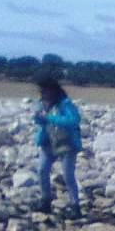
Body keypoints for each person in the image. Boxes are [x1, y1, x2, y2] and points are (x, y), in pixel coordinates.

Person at [33, 76, 82, 218]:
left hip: (67, 143)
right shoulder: (42, 104)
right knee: (42, 169)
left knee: (68, 175)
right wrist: (39, 119)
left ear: (53, 91)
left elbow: (73, 120)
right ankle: (45, 201)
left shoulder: (65, 104)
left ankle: (75, 205)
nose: (42, 94)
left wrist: (50, 118)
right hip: (48, 142)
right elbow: (41, 123)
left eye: (44, 91)